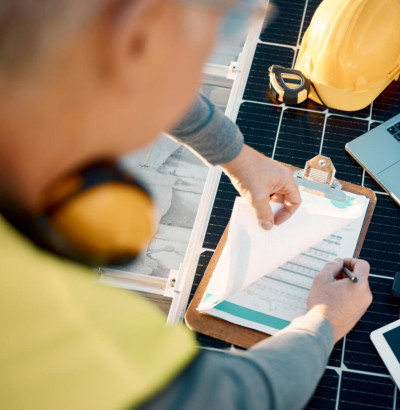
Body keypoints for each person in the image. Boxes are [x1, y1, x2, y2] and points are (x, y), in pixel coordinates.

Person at [0, 1, 373, 409]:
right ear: (138, 38)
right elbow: (238, 400)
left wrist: (238, 157)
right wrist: (323, 321)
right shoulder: (60, 325)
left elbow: (128, 69)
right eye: (220, 34)